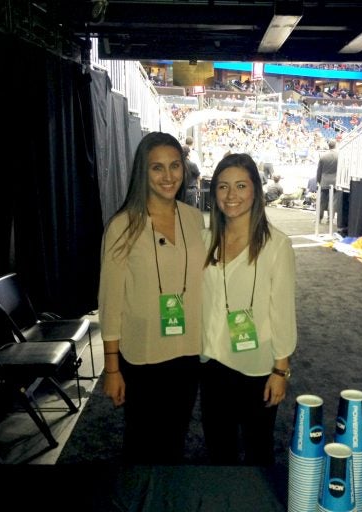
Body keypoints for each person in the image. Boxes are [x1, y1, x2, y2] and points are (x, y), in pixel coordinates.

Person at [98, 131, 206, 465]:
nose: (169, 176)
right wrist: (112, 368)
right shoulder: (122, 226)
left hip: (187, 352)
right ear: (142, 172)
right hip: (142, 356)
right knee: (141, 443)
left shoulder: (193, 218)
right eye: (157, 168)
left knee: (175, 439)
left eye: (175, 166)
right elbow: (110, 302)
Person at [200, 153, 297, 466]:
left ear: (256, 190)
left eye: (241, 186)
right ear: (214, 193)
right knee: (219, 448)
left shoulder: (276, 245)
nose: (232, 196)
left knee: (259, 449)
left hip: (257, 365)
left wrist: (280, 370)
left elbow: (282, 311)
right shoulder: (205, 240)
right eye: (223, 187)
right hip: (212, 360)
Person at [316, 139, 338, 223]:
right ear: (335, 145)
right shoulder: (339, 155)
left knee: (321, 202)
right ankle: (330, 220)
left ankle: (319, 219)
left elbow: (319, 170)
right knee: (333, 202)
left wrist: (318, 181)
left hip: (324, 181)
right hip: (335, 182)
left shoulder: (323, 156)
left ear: (328, 146)